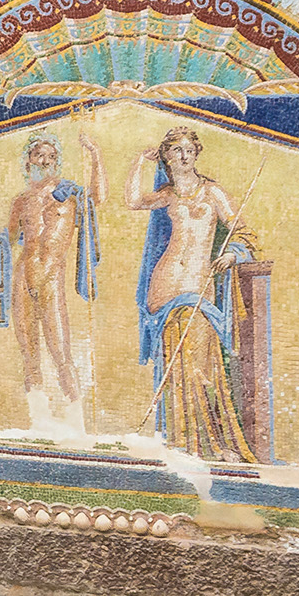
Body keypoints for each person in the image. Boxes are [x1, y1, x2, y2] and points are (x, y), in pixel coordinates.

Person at [125, 126, 257, 462]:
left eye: (189, 150)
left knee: (203, 366)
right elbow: (133, 201)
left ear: (197, 153)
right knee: (176, 367)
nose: (184, 156)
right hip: (165, 286)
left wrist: (234, 253)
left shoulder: (213, 193)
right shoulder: (168, 194)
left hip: (198, 285)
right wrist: (140, 161)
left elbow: (243, 229)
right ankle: (183, 440)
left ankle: (213, 441)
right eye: (176, 151)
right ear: (167, 157)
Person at [0, 127, 100, 438]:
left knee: (60, 351)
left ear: (57, 161)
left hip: (51, 276)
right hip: (23, 275)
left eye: (51, 156)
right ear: (29, 160)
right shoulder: (21, 201)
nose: (45, 160)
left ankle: (76, 422)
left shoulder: (70, 194)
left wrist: (94, 154)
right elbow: (7, 242)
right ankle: (39, 419)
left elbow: (98, 198)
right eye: (39, 154)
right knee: (29, 351)